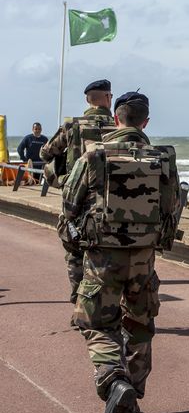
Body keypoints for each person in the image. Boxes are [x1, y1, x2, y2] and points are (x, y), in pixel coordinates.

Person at [62, 91, 180, 413]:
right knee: (140, 326)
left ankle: (113, 379)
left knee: (96, 324)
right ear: (145, 122)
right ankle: (132, 397)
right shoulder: (163, 158)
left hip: (102, 258)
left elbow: (69, 205)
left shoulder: (94, 155)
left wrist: (74, 247)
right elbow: (172, 207)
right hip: (144, 259)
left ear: (116, 119)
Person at [40, 79, 116, 304]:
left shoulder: (73, 125)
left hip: (76, 200)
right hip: (110, 200)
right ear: (109, 98)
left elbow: (46, 153)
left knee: (74, 251)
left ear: (87, 99)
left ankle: (79, 302)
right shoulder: (119, 125)